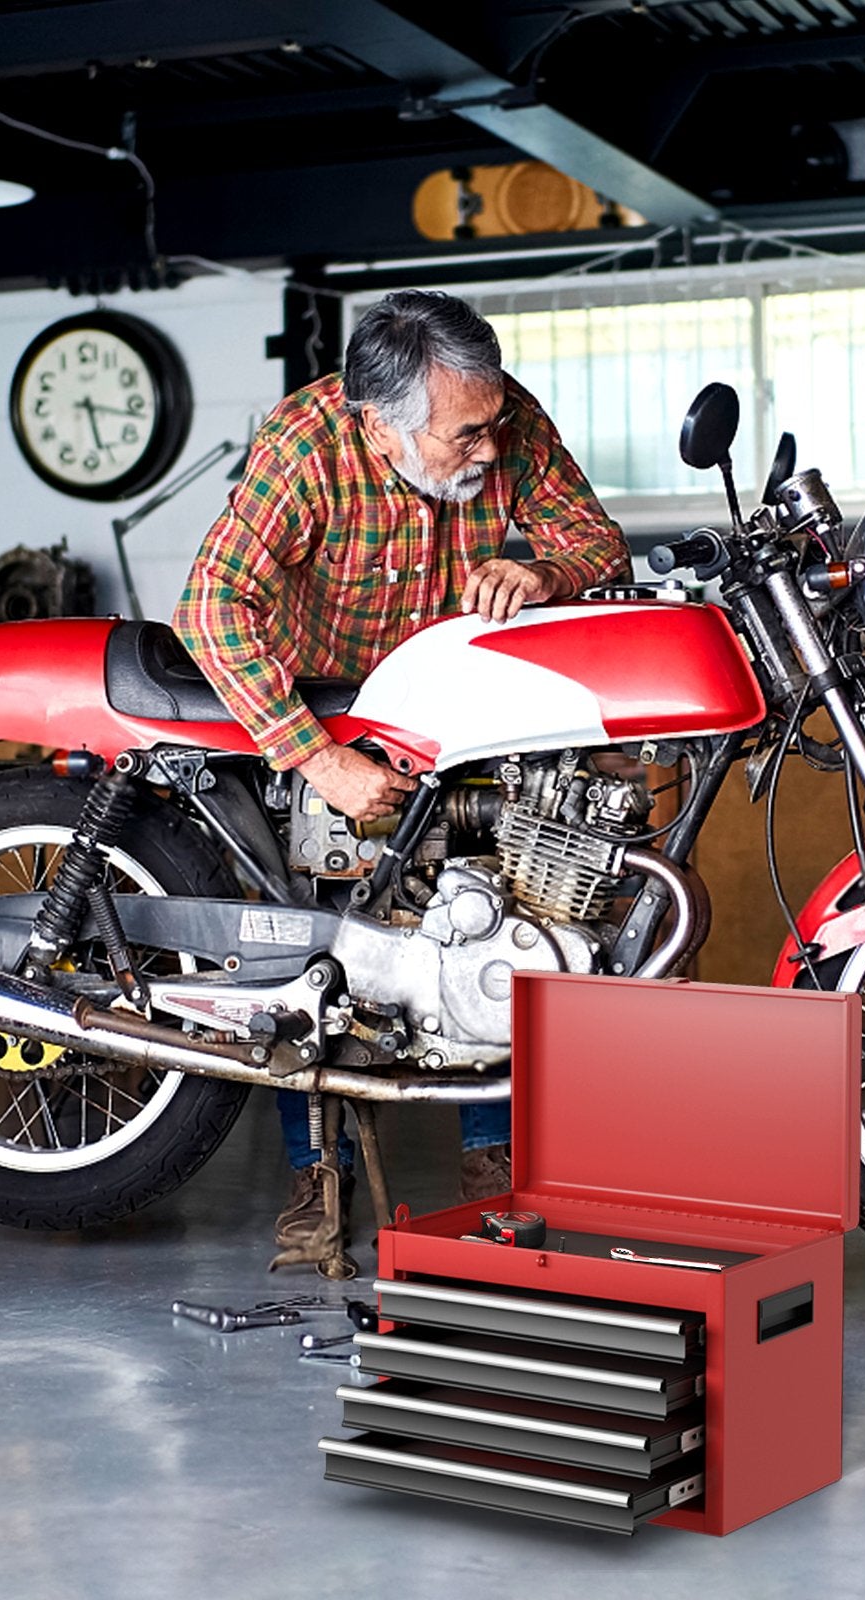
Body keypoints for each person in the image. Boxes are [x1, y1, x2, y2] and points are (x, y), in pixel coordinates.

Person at [172, 288, 630, 1253]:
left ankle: (494, 1159)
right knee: (313, 945)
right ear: (383, 428)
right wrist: (315, 757)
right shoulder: (305, 448)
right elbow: (211, 605)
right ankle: (316, 1178)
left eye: (493, 425)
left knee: (495, 915)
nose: (492, 450)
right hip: (328, 711)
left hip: (461, 719)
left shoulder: (500, 413)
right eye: (466, 436)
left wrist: (546, 575)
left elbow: (595, 539)